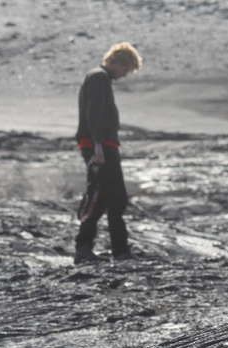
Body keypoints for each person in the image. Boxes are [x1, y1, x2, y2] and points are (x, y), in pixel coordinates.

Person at [74, 42, 142, 264]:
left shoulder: (99, 78)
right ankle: (90, 249)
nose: (125, 75)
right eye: (127, 69)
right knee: (102, 196)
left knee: (108, 197)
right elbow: (94, 113)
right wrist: (98, 145)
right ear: (117, 62)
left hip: (102, 144)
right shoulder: (98, 78)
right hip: (100, 145)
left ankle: (117, 250)